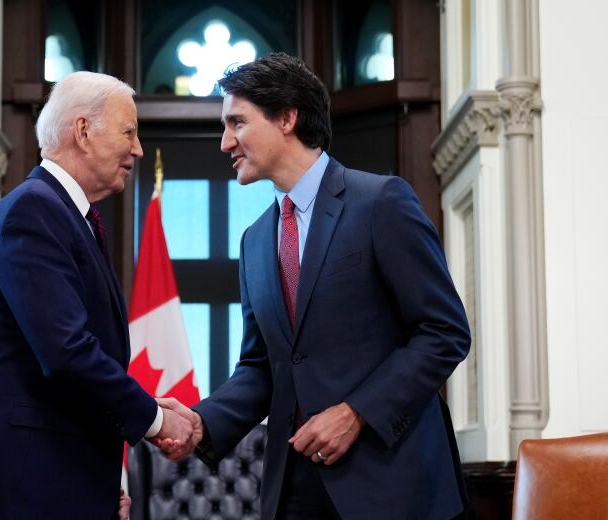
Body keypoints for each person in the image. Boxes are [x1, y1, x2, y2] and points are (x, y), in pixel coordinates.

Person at [157, 53, 471, 519]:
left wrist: (356, 412)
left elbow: (444, 332)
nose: (225, 143)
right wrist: (203, 421)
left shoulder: (382, 203)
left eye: (237, 123)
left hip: (394, 485)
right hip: (295, 489)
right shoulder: (255, 240)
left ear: (287, 117)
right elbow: (263, 368)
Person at [0, 71, 192, 520]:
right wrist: (155, 419)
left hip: (55, 478)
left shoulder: (68, 216)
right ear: (83, 131)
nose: (137, 149)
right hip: (22, 485)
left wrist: (104, 480)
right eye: (129, 132)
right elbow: (66, 352)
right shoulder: (34, 210)